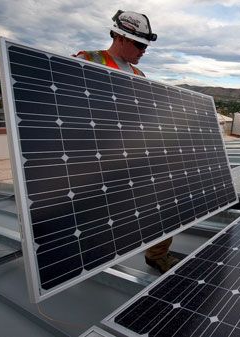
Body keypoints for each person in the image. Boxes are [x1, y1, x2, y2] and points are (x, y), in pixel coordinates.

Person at [74, 10, 179, 274]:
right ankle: (84, 257)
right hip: (95, 157)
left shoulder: (139, 75)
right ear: (120, 37)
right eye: (139, 44)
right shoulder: (87, 60)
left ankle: (157, 254)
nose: (144, 50)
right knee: (97, 213)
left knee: (164, 196)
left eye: (146, 45)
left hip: (130, 153)